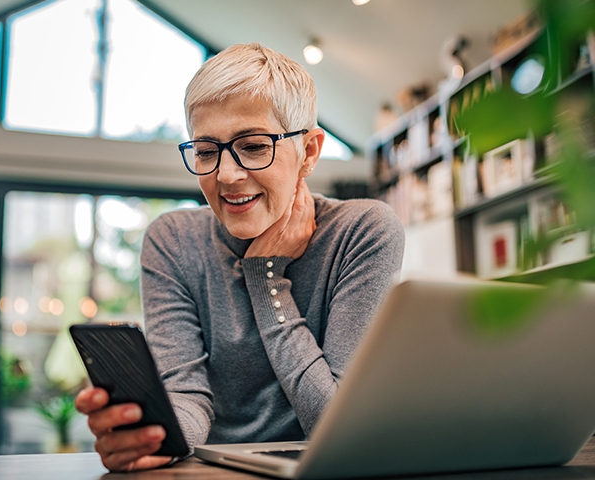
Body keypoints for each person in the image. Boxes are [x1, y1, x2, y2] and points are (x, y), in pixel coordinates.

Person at [75, 42, 405, 472]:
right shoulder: (173, 241)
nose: (226, 176)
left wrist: (265, 276)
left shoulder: (363, 232)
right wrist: (154, 434)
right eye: (207, 151)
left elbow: (335, 424)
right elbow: (188, 397)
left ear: (308, 152)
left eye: (252, 146)